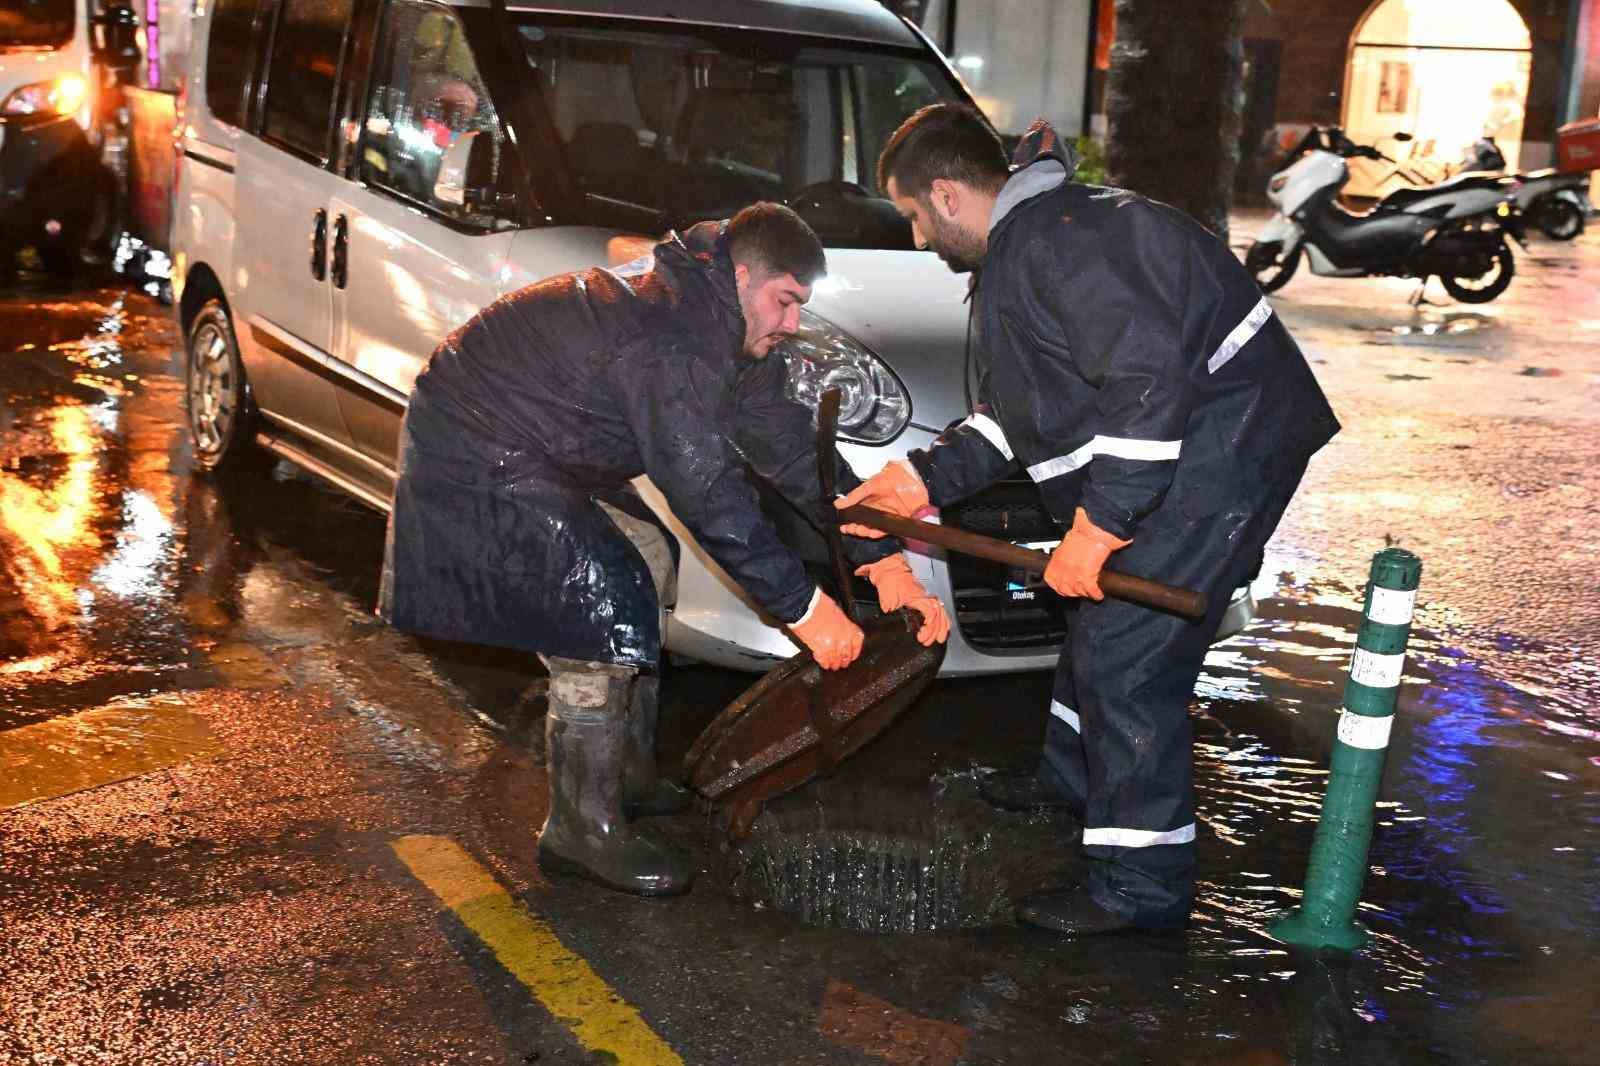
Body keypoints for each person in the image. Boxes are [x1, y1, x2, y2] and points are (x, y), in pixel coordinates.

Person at [841, 105, 1339, 936]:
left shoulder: (1058, 243)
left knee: (1126, 662)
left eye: (915, 215)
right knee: (1096, 618)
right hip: (1198, 443)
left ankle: (1140, 886)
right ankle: (1071, 780)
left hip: (1227, 453)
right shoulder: (1035, 244)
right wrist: (917, 479)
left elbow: (1149, 389)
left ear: (947, 194)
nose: (921, 237)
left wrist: (1099, 529)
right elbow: (1027, 414)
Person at [380, 202, 950, 897]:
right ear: (744, 276)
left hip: (545, 446)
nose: (792, 324)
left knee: (647, 555)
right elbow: (707, 491)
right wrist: (805, 611)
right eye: (785, 303)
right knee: (598, 600)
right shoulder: (672, 334)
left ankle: (625, 774)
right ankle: (578, 829)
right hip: (475, 439)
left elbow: (798, 453)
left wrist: (884, 560)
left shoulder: (729, 322)